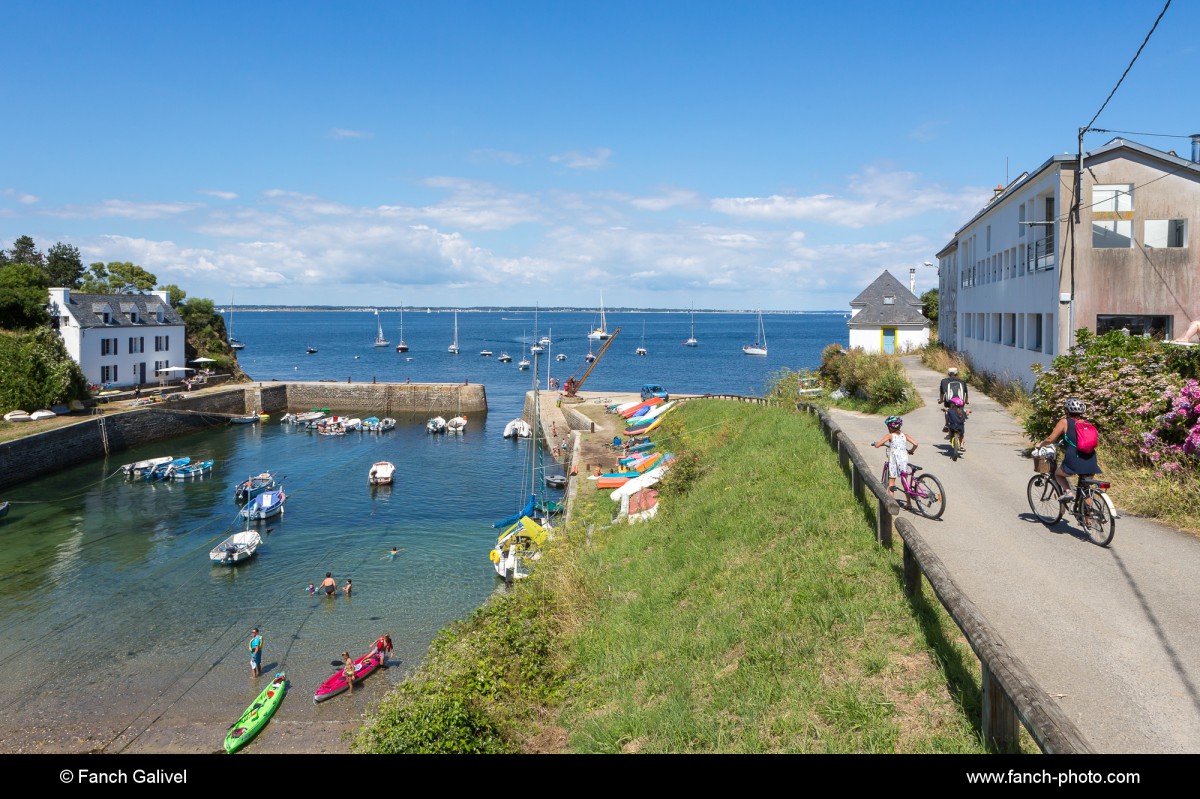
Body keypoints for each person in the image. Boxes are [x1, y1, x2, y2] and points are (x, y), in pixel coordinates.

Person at [1035, 398, 1100, 504]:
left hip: (1074, 459)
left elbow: (1050, 439)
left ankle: (1068, 492)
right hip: (1091, 460)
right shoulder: (1088, 424)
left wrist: (1040, 445)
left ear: (1066, 411)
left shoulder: (1064, 422)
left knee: (1058, 474)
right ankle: (1088, 517)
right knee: (1086, 490)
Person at [871, 416, 917, 495]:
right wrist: (911, 451)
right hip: (904, 460)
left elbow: (878, 445)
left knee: (891, 482)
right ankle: (909, 503)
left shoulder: (890, 435)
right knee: (904, 481)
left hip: (894, 460)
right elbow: (916, 444)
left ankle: (891, 502)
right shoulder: (905, 435)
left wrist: (875, 444)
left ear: (890, 427)